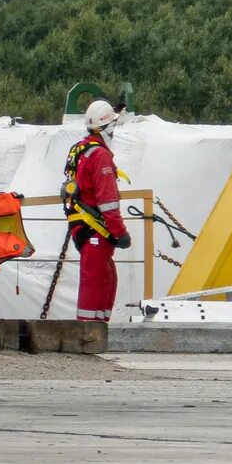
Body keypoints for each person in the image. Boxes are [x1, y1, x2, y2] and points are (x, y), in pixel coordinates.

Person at [61, 100, 130, 324]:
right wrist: (120, 232)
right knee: (96, 282)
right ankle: (88, 332)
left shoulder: (79, 150)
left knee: (106, 278)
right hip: (95, 228)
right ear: (107, 127)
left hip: (83, 225)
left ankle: (98, 329)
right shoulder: (100, 155)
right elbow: (108, 200)